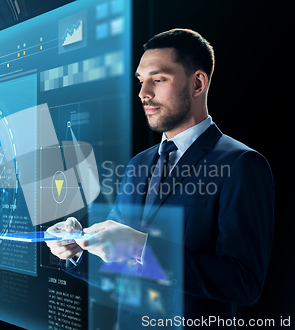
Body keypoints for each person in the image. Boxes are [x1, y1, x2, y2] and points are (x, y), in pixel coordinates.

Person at [47, 28, 274, 329]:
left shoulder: (241, 164)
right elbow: (117, 265)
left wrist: (142, 248)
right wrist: (77, 250)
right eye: (141, 81)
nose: (143, 93)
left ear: (197, 83)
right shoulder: (138, 164)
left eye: (158, 78)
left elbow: (244, 282)